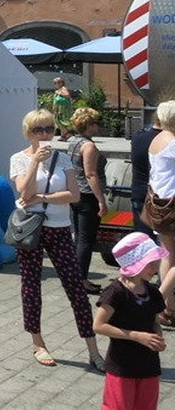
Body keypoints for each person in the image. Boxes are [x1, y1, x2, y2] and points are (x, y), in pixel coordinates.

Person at [10, 109, 104, 370]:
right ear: (28, 133)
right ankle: (38, 342)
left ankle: (93, 349)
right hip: (31, 229)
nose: (44, 135)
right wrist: (34, 164)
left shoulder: (62, 158)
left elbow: (73, 195)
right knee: (31, 286)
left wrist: (42, 199)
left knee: (75, 287)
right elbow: (23, 191)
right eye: (38, 130)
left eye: (48, 129)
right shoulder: (18, 159)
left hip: (59, 228)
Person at [93, 232, 168, 410]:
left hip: (148, 365)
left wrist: (157, 335)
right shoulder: (116, 292)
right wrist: (136, 336)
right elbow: (98, 326)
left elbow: (153, 320)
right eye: (150, 264)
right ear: (134, 263)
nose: (155, 268)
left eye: (156, 263)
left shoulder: (152, 292)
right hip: (122, 366)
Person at [69, 107, 108, 294]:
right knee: (86, 240)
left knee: (78, 238)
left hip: (76, 195)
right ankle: (81, 281)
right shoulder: (89, 146)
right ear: (89, 125)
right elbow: (90, 174)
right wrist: (101, 200)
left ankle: (76, 278)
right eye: (96, 123)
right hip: (88, 196)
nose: (99, 126)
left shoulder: (73, 142)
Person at [146, 100, 175, 326]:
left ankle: (168, 308)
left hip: (159, 204)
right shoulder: (173, 142)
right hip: (172, 206)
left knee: (168, 255)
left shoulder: (157, 139)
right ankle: (157, 305)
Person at [131, 114, 162, 236]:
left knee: (143, 241)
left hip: (139, 193)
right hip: (161, 200)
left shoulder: (138, 136)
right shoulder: (167, 141)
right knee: (165, 246)